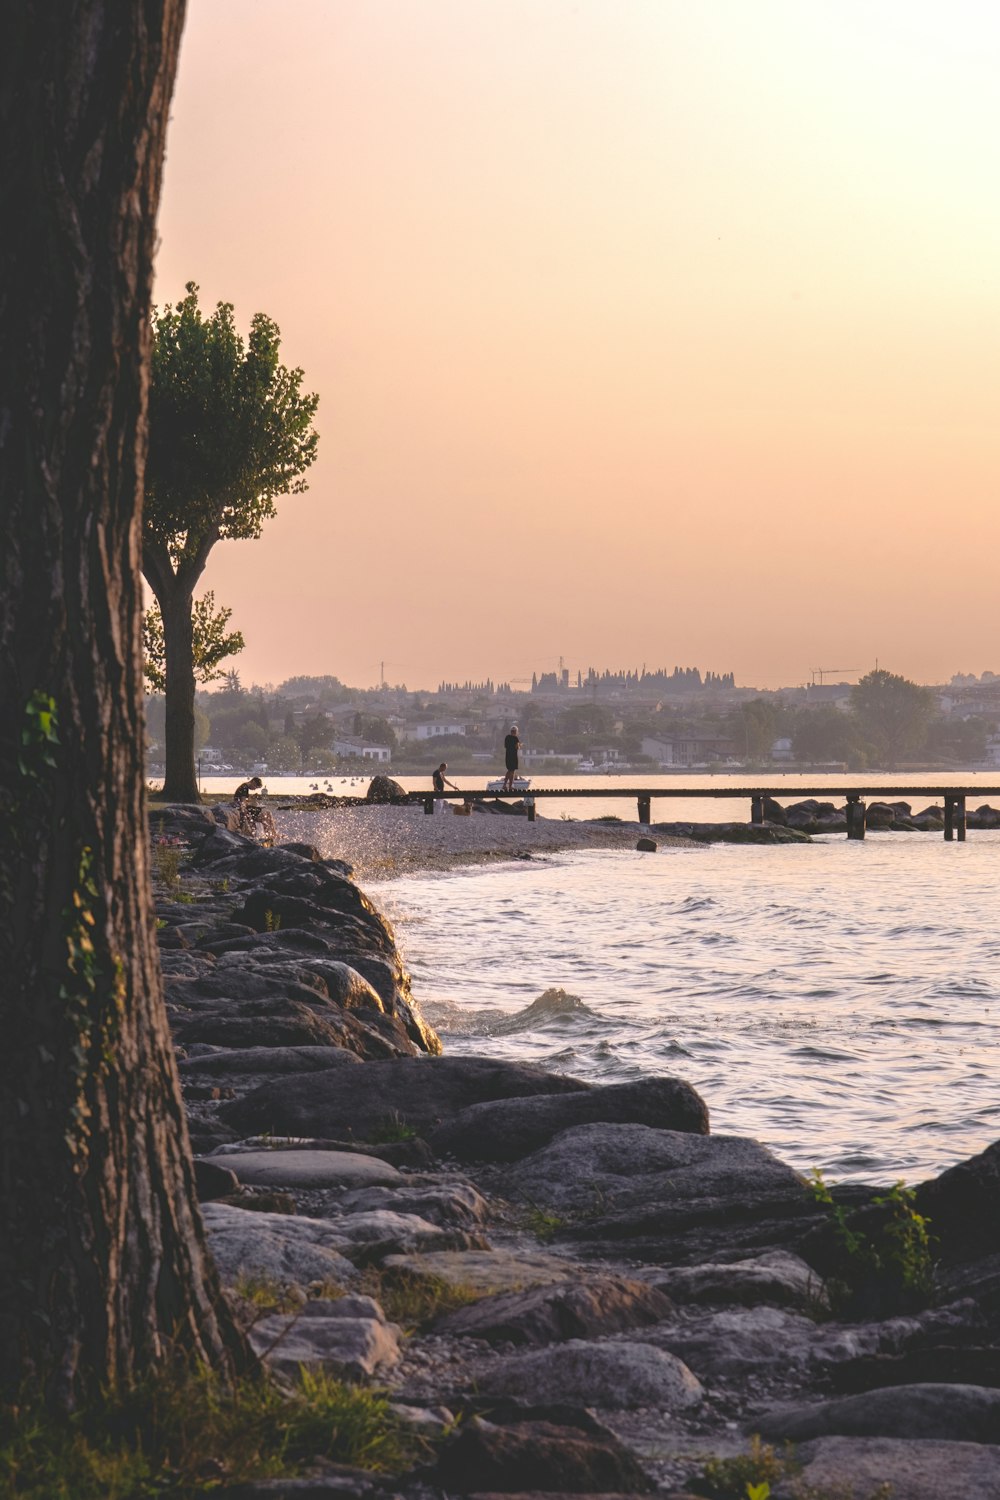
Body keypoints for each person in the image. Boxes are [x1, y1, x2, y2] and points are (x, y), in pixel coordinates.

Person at [502, 725, 521, 793]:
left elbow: (505, 746)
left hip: (508, 756)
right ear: (516, 732)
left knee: (509, 770)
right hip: (513, 756)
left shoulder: (507, 737)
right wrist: (519, 745)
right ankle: (510, 786)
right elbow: (517, 747)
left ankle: (505, 785)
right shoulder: (516, 738)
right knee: (512, 771)